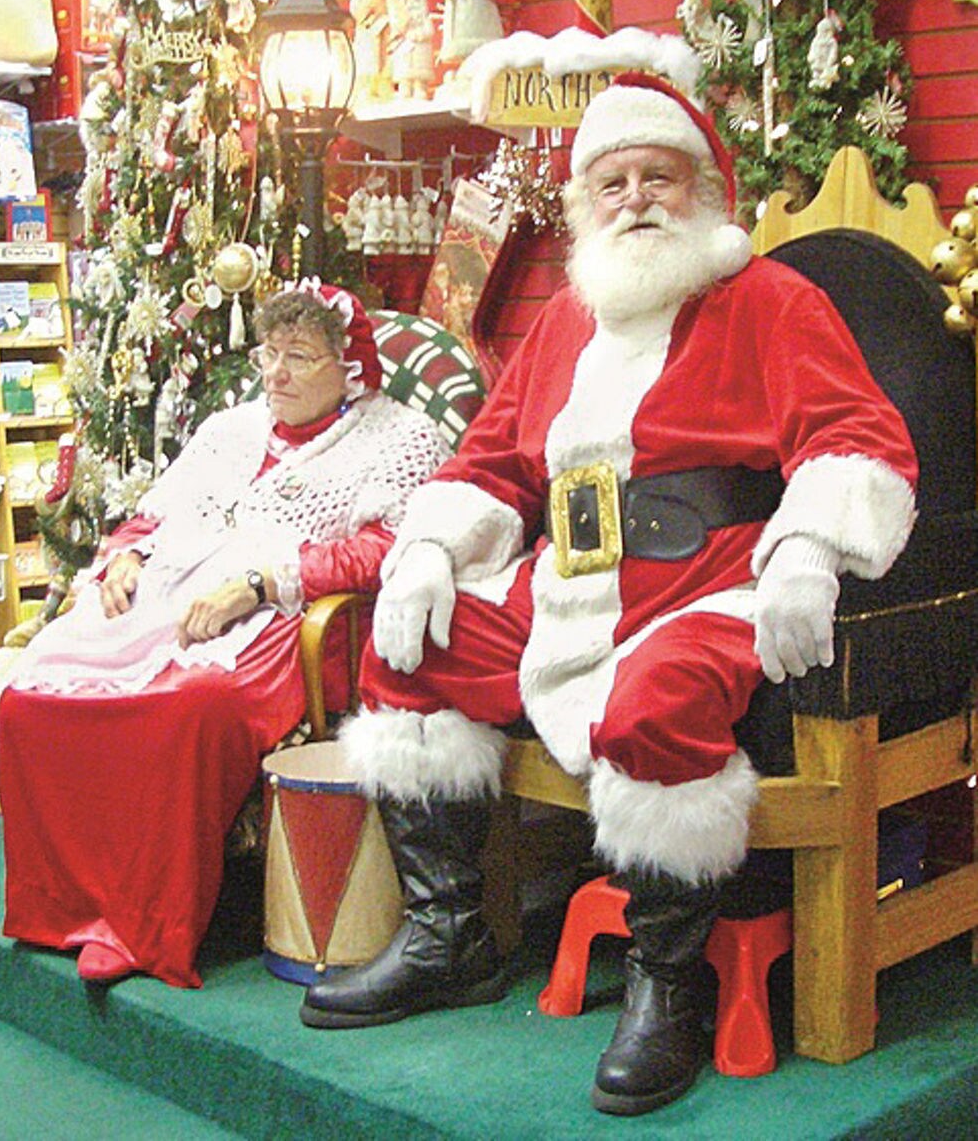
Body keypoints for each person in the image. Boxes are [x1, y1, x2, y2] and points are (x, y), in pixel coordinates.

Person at [298, 73, 918, 1116]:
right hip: (566, 584)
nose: (633, 197)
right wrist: (425, 551)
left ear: (704, 190)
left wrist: (808, 545)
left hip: (704, 583)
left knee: (654, 703)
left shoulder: (769, 300)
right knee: (407, 647)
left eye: (657, 178)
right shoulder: (561, 323)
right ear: (586, 203)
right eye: (611, 181)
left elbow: (855, 437)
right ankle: (451, 933)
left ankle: (663, 981)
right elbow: (491, 461)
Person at [0, 282, 450, 990]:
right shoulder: (228, 430)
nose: (277, 374)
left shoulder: (400, 438)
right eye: (269, 354)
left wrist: (264, 584)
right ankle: (62, 908)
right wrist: (123, 556)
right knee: (31, 692)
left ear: (349, 367)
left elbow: (390, 548)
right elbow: (156, 514)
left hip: (293, 617)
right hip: (169, 593)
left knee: (186, 707)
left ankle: (142, 926)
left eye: (300, 356)